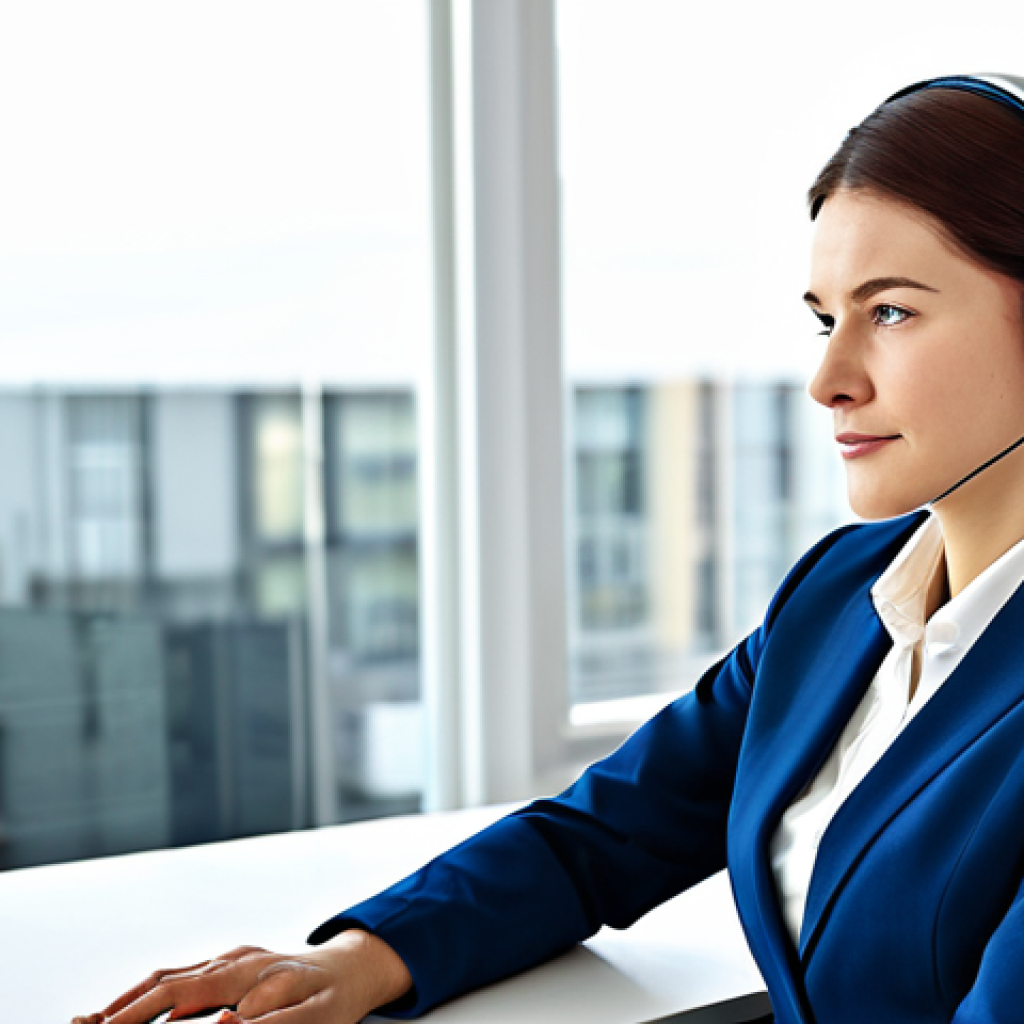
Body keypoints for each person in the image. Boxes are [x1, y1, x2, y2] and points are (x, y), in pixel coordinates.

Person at [74, 71, 1024, 1024]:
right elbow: (607, 830)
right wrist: (364, 958)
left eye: (890, 311)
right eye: (825, 319)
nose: (827, 379)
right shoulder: (841, 594)